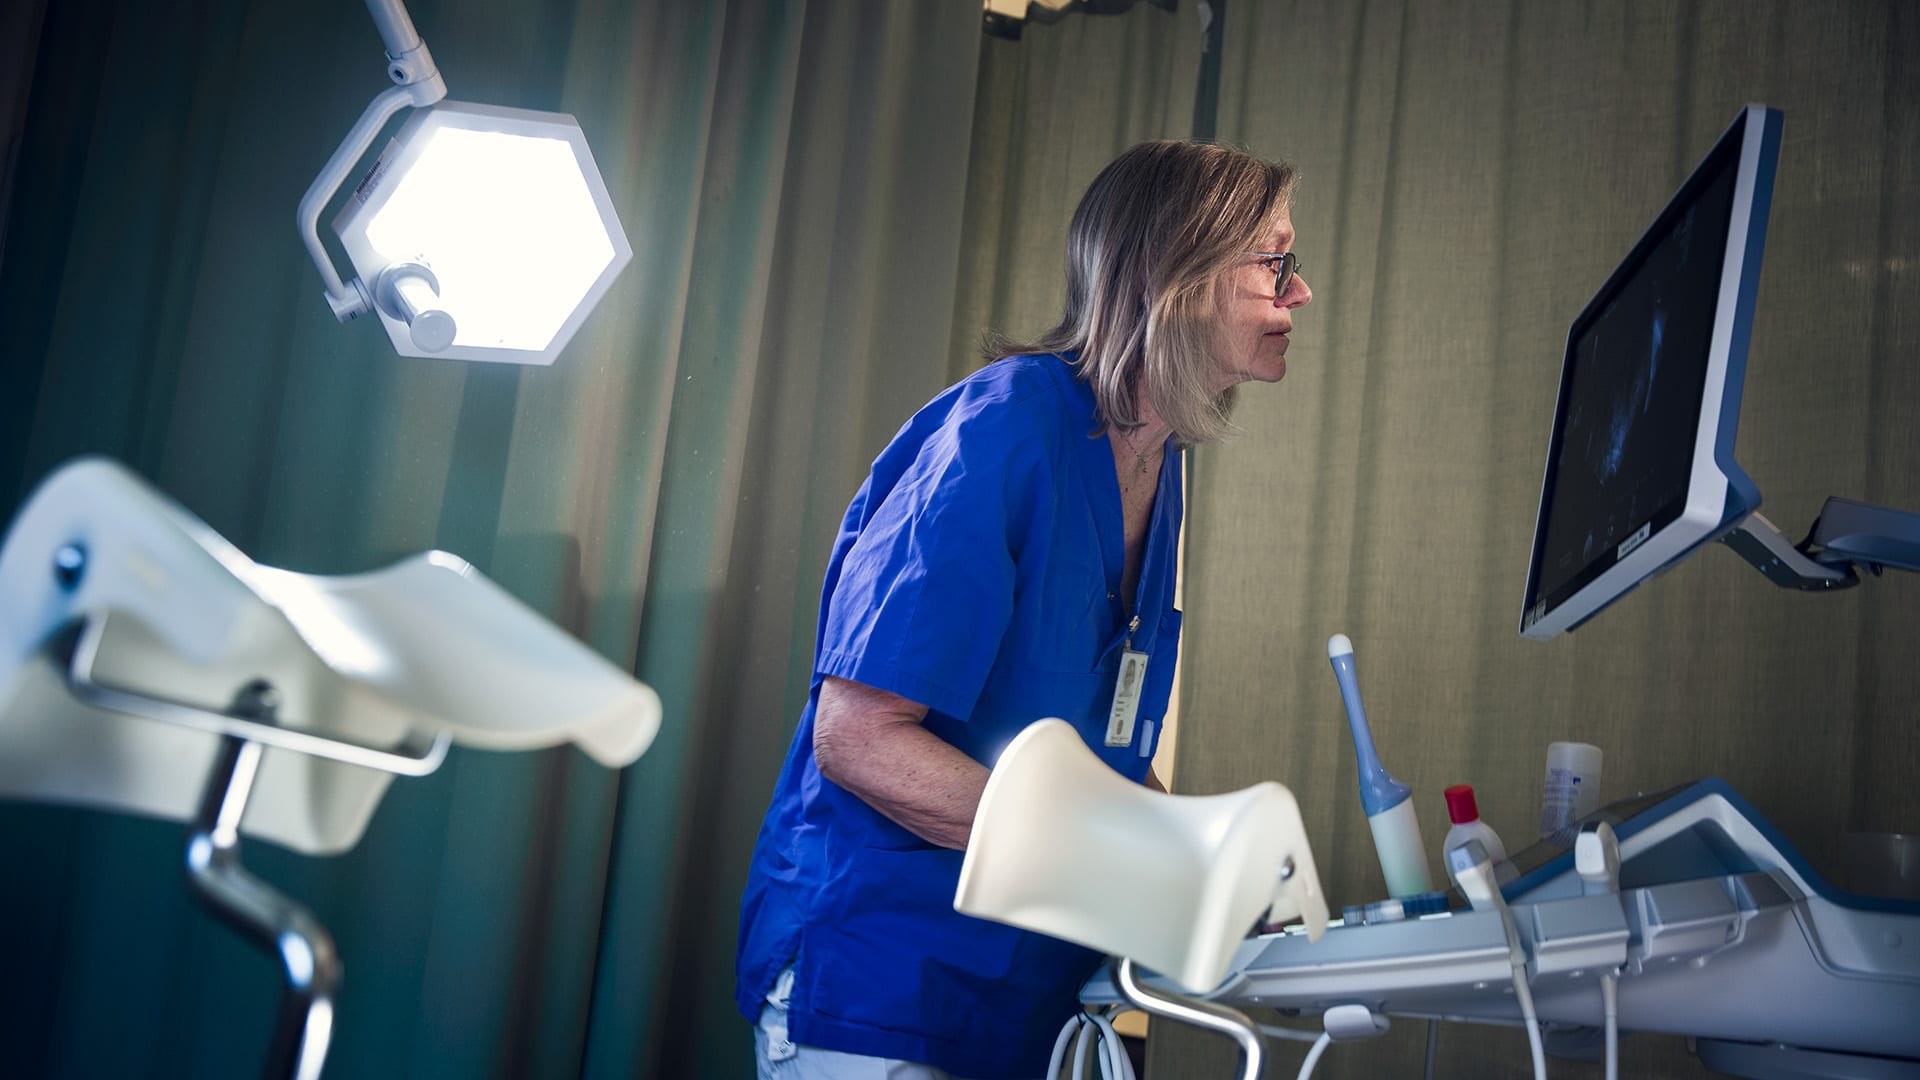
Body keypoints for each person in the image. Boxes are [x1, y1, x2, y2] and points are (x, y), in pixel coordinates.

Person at [735, 139, 1312, 1079]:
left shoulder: (1157, 470)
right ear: (1176, 274)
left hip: (1014, 1006)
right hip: (881, 983)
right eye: (1274, 261)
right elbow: (859, 739)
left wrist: (1218, 868)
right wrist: (1135, 861)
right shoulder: (1006, 428)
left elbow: (1100, 752)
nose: (1299, 294)